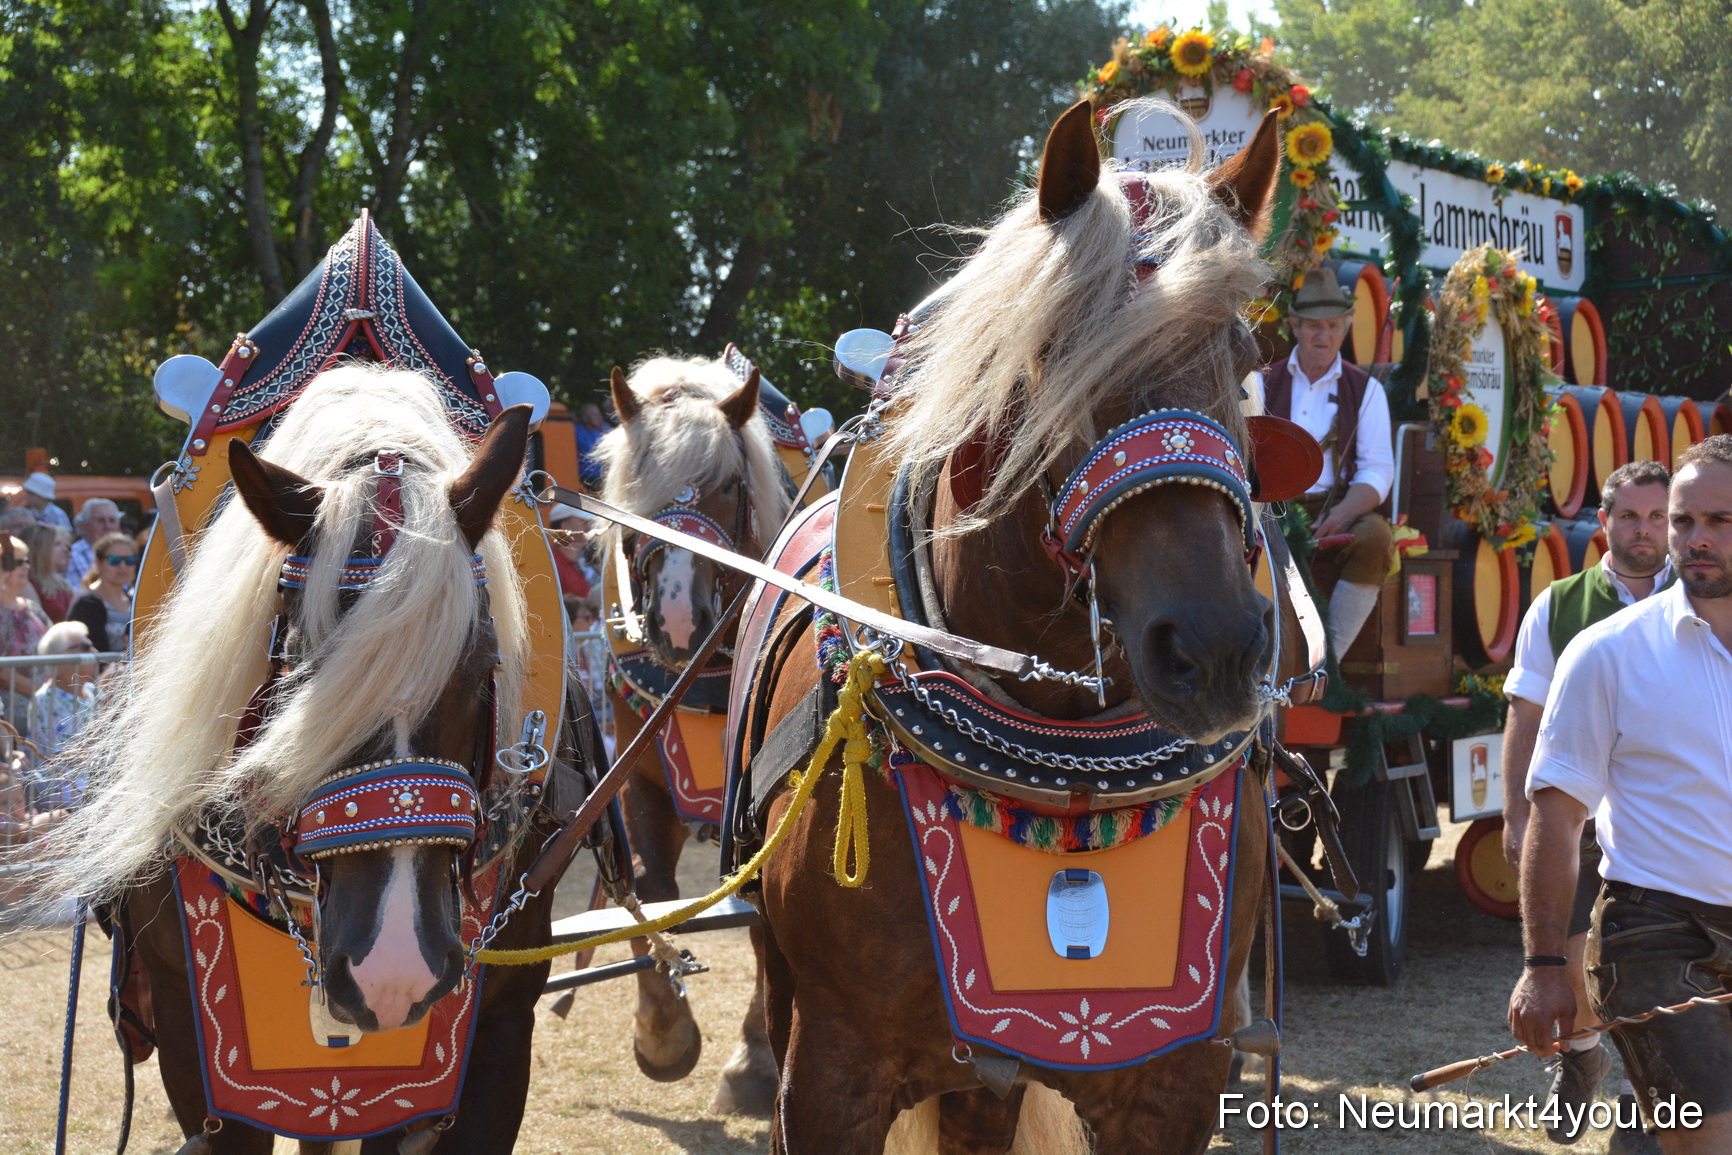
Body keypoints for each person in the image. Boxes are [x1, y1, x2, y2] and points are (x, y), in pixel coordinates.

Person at [1509, 435, 1732, 1155]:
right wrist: (1545, 968)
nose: (1695, 539)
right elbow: (1558, 812)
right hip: (1654, 933)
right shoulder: (1608, 652)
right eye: (1683, 521)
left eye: (1719, 522)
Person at [1502, 460, 1671, 1150]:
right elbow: (1525, 710)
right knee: (1574, 974)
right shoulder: (1561, 604)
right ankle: (1582, 1057)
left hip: (1663, 826)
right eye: (1629, 516)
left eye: (1658, 516)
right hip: (1580, 820)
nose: (1644, 530)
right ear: (1602, 524)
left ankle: (1643, 1102)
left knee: (1648, 974)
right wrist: (1516, 814)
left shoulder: (1701, 600)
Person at [1260, 267, 1396, 656]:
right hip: (1274, 508)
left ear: (1347, 326)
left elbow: (1377, 470)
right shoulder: (1261, 383)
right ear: (1294, 325)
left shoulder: (1366, 390)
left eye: (1334, 326)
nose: (1324, 336)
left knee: (1376, 539)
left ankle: (1328, 658)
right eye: (1314, 326)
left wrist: (1342, 514)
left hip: (1338, 506)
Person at [28, 621, 96, 808]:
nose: (94, 651)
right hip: (62, 784)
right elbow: (62, 756)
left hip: (92, 776)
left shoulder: (91, 691)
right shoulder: (45, 699)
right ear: (60, 658)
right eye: (85, 646)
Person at [0, 535, 52, 734]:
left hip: (45, 707)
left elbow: (56, 644)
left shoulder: (30, 607)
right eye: (19, 562)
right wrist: (39, 691)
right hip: (12, 715)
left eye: (27, 561)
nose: (27, 567)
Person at [67, 531, 136, 655]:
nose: (123, 566)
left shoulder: (135, 600)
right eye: (114, 560)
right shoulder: (86, 603)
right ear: (98, 563)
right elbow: (95, 651)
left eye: (129, 560)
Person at [23, 523, 75, 621]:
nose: (65, 550)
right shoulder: (28, 585)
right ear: (39, 550)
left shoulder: (61, 582)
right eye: (57, 544)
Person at [67, 498, 120, 587]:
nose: (108, 526)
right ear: (83, 526)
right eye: (100, 520)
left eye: (112, 520)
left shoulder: (125, 555)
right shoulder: (71, 556)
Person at [575, 401, 610, 488]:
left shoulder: (604, 429)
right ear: (585, 418)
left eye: (599, 414)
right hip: (584, 480)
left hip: (602, 479)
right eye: (594, 414)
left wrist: (602, 430)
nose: (599, 417)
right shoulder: (576, 430)